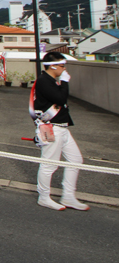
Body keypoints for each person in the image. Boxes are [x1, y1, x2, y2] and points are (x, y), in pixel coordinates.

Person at [32, 52, 89, 211]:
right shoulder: (44, 81)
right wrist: (64, 81)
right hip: (51, 127)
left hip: (62, 127)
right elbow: (61, 99)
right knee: (49, 164)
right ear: (53, 66)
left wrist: (62, 81)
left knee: (75, 160)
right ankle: (43, 197)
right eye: (62, 66)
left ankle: (69, 196)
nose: (64, 69)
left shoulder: (50, 80)